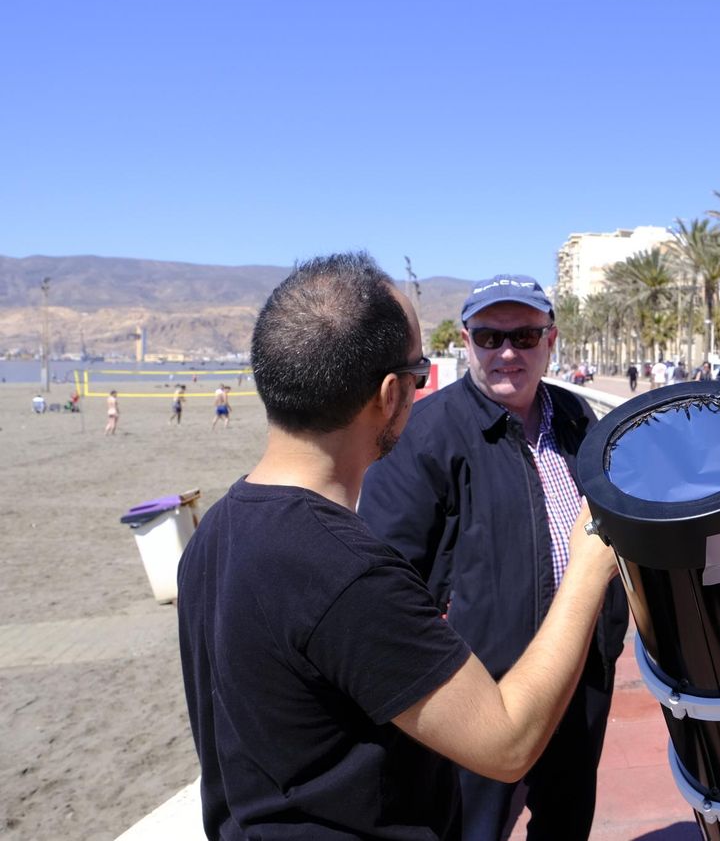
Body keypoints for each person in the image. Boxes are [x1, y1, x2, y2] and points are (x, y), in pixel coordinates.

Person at [177, 253, 619, 839]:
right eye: (418, 371)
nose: (507, 351)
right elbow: (508, 742)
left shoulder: (212, 533)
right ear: (392, 394)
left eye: (525, 336)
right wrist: (591, 562)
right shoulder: (349, 574)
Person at [359, 273, 629, 841]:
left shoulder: (578, 419)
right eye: (489, 337)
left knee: (566, 822)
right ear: (466, 341)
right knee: (471, 829)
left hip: (580, 672)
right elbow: (386, 580)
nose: (507, 353)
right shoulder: (422, 435)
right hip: (479, 694)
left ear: (550, 340)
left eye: (525, 336)